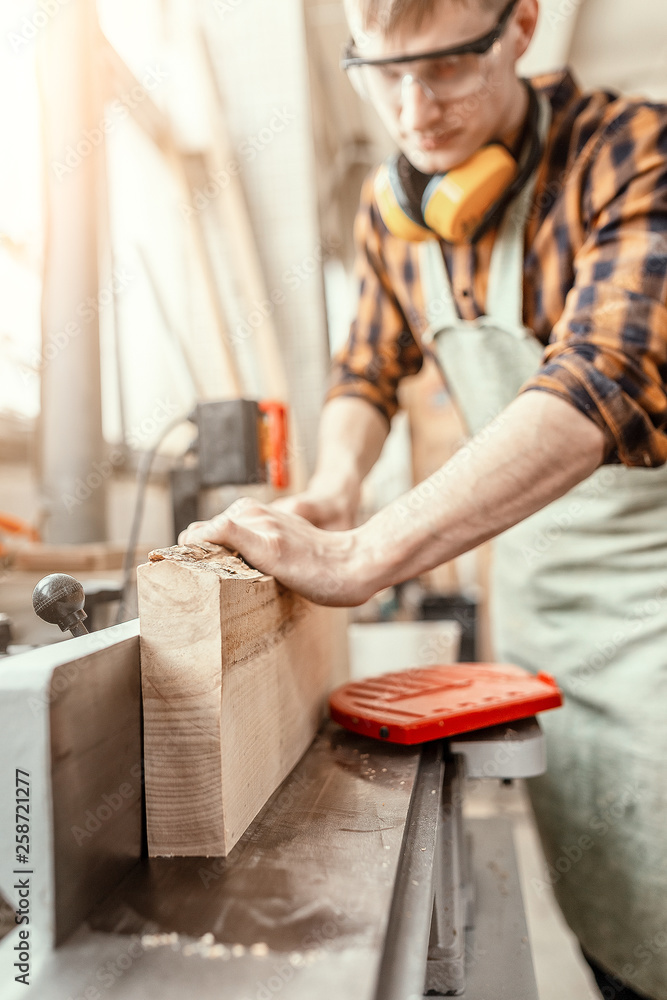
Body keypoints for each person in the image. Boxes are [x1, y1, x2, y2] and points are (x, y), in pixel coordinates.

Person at [180, 1, 667, 996]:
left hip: (653, 608)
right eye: (382, 72)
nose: (414, 110)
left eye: (446, 67)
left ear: (520, 26)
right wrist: (332, 487)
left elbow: (604, 379)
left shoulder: (631, 152)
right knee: (604, 906)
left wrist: (360, 557)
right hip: (542, 615)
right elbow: (367, 369)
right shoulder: (390, 212)